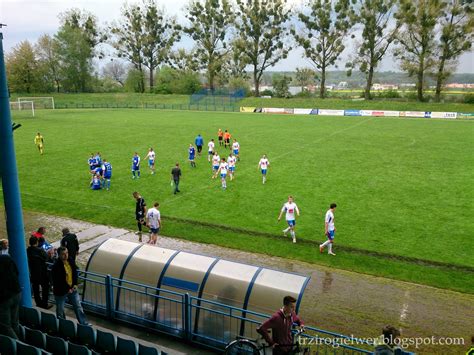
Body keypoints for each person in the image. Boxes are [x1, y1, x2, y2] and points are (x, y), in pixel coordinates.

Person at [52, 247, 90, 325]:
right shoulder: (56, 266)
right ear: (59, 255)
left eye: (67, 253)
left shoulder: (70, 260)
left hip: (72, 289)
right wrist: (67, 289)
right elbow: (58, 281)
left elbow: (75, 273)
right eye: (63, 254)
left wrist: (75, 284)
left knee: (78, 306)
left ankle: (84, 323)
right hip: (61, 291)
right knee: (60, 309)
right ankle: (62, 325)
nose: (66, 255)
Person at [27, 236, 51, 309]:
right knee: (45, 288)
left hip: (33, 272)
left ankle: (38, 302)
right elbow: (46, 258)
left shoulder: (27, 250)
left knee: (35, 288)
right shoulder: (40, 250)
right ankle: (44, 303)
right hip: (42, 272)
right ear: (37, 242)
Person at [0, 254, 21, 338]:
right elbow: (17, 272)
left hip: (4, 298)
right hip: (16, 293)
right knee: (15, 321)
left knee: (6, 326)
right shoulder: (6, 258)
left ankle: (17, 344)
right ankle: (20, 341)